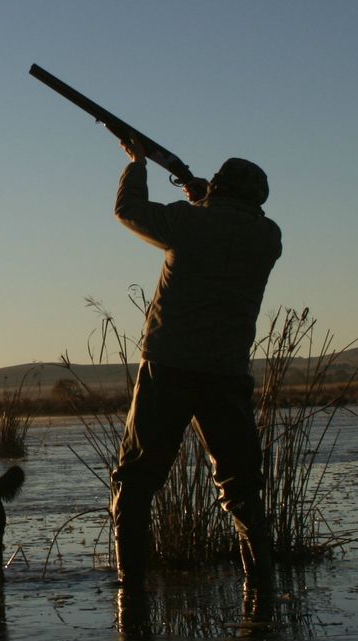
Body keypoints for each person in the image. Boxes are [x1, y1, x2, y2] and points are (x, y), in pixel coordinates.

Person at [111, 137, 282, 591]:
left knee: (135, 481)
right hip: (226, 374)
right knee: (241, 486)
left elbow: (128, 210)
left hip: (168, 367)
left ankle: (131, 590)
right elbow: (230, 222)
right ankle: (261, 587)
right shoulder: (268, 238)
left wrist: (138, 163)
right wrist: (204, 196)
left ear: (219, 187)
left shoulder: (188, 222)